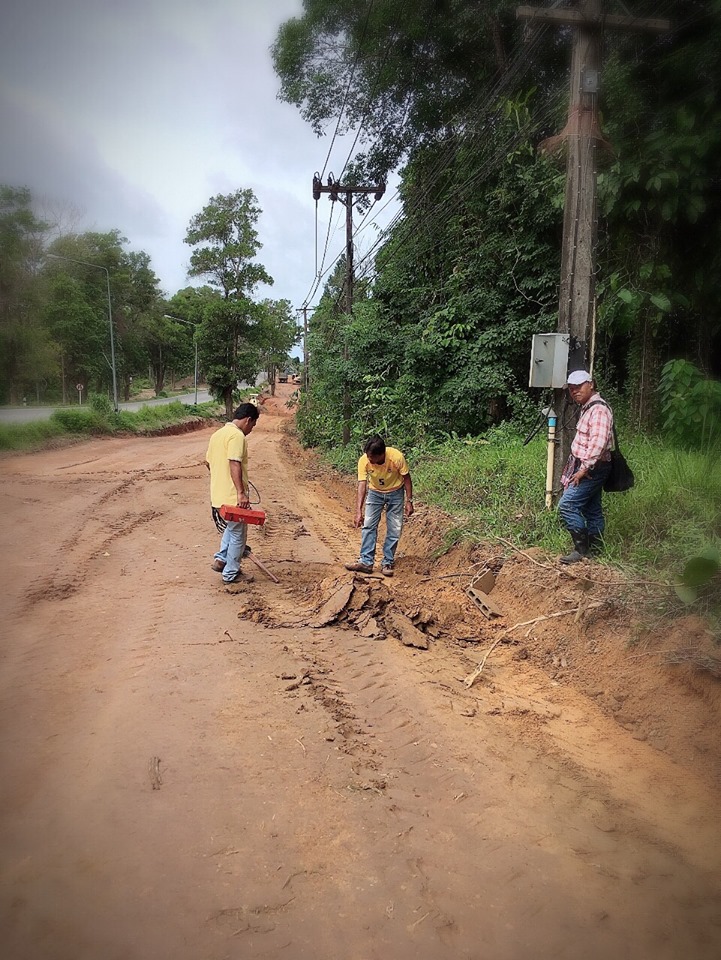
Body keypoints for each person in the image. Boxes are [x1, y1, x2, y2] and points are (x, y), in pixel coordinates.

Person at [558, 370, 614, 564]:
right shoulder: (587, 407)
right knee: (592, 509)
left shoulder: (598, 410)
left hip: (592, 469)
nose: (575, 391)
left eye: (579, 386)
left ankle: (581, 550)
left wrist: (583, 470)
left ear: (591, 384)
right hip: (590, 467)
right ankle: (596, 550)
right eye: (572, 388)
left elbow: (598, 444)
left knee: (567, 505)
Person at [345, 435, 414, 578]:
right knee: (369, 525)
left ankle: (387, 562)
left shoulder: (396, 458)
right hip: (375, 492)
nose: (369, 460)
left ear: (381, 454)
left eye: (371, 457)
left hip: (396, 492)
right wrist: (358, 511)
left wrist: (409, 501)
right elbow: (362, 485)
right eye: (368, 456)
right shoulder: (364, 460)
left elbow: (407, 478)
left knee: (394, 527)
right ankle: (366, 562)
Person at [205, 402, 259, 584]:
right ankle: (231, 573)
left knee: (231, 528)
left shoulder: (217, 435)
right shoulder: (237, 436)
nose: (251, 430)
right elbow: (234, 462)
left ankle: (221, 559)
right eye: (252, 425)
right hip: (232, 496)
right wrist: (241, 493)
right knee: (238, 534)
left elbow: (208, 463)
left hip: (218, 496)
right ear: (248, 420)